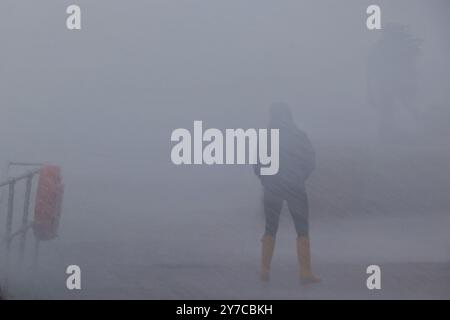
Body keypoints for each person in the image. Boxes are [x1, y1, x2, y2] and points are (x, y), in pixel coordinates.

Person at [254, 103, 320, 284]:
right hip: (295, 187)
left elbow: (258, 165)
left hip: (272, 189)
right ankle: (305, 272)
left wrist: (267, 181)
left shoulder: (266, 138)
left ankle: (264, 270)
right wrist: (299, 177)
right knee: (302, 229)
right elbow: (310, 161)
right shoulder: (299, 136)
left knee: (270, 228)